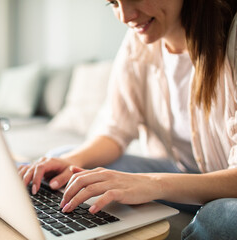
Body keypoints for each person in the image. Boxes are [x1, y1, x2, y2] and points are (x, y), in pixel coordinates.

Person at [18, 0, 237, 238]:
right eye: (113, 2)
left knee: (220, 218)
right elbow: (116, 130)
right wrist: (72, 160)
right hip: (180, 170)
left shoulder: (232, 38)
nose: (124, 16)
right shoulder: (138, 41)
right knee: (65, 163)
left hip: (226, 187)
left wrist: (152, 184)